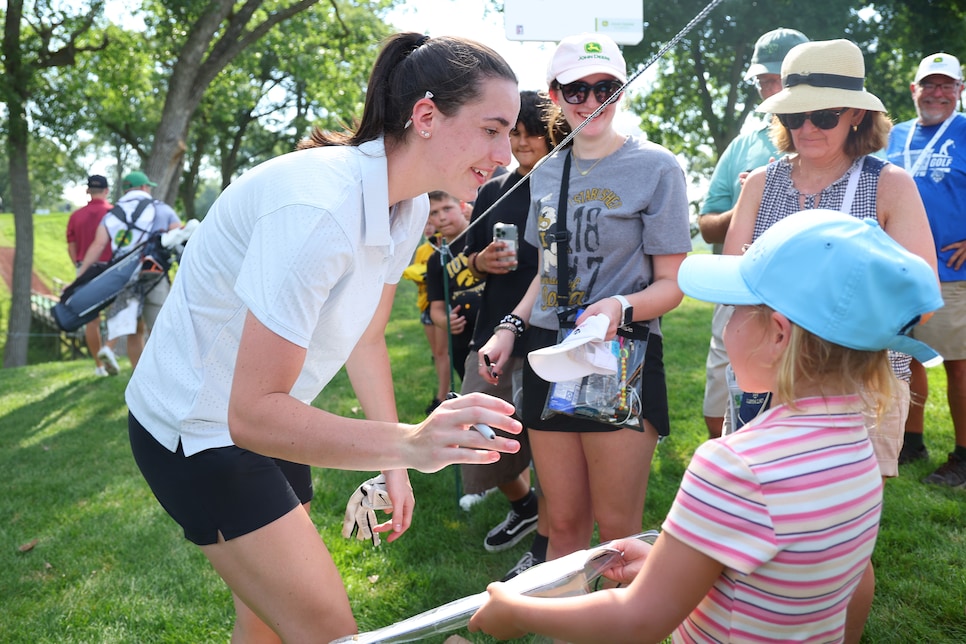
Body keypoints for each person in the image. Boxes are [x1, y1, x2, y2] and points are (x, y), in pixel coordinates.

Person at [124, 33, 524, 643]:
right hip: (196, 431)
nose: (506, 153)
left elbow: (367, 339)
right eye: (493, 129)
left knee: (265, 623)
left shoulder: (408, 205)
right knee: (327, 631)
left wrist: (397, 460)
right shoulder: (318, 210)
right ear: (425, 117)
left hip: (272, 417)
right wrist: (411, 442)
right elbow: (249, 415)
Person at [468, 209, 944, 644]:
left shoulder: (736, 463)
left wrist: (519, 611)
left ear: (778, 335)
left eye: (735, 308)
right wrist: (666, 566)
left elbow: (637, 620)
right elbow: (816, 575)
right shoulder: (854, 443)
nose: (727, 321)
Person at [725, 38, 939, 643]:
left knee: (842, 544)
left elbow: (920, 293)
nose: (807, 127)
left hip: (858, 385)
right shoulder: (761, 182)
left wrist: (837, 326)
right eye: (794, 115)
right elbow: (733, 277)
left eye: (823, 115)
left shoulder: (888, 183)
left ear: (858, 117)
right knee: (755, 523)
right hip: (765, 375)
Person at [479, 33, 692, 562]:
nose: (592, 102)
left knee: (617, 530)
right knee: (565, 522)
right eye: (577, 89)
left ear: (623, 91)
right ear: (554, 93)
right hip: (550, 353)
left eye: (607, 88)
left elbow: (674, 283)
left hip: (621, 352)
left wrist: (620, 306)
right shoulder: (547, 169)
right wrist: (510, 328)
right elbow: (547, 272)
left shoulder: (657, 167)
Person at [698, 28, 808, 438]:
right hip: (740, 290)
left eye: (779, 77)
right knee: (720, 395)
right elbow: (707, 225)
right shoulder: (743, 145)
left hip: (802, 293)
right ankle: (724, 465)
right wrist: (746, 202)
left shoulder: (834, 141)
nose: (770, 87)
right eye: (764, 79)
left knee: (795, 400)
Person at [462, 90, 551, 580]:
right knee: (481, 436)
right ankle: (526, 505)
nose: (521, 142)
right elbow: (469, 259)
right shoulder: (492, 188)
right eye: (512, 131)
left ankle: (546, 541)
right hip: (493, 329)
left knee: (547, 443)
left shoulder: (566, 183)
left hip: (548, 331)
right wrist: (482, 261)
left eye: (531, 130)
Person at [886, 52, 966, 487]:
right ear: (914, 89)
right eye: (929, 85)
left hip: (951, 274)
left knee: (958, 363)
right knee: (906, 356)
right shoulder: (895, 135)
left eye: (946, 85)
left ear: (959, 91)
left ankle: (964, 455)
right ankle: (911, 441)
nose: (937, 93)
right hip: (897, 273)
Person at [76, 170, 182, 370]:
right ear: (144, 187)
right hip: (154, 276)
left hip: (124, 278)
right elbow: (180, 233)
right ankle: (166, 374)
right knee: (160, 327)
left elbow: (98, 246)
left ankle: (139, 377)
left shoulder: (112, 214)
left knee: (135, 331)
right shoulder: (159, 208)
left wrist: (80, 277)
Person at [425, 190, 484, 386]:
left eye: (447, 208)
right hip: (463, 342)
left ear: (461, 206)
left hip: (494, 330)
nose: (441, 217)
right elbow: (436, 308)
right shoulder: (435, 259)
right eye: (434, 213)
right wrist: (444, 321)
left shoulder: (482, 236)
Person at [65, 174, 121, 376]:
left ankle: (99, 366)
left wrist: (79, 267)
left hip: (85, 269)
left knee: (92, 319)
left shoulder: (75, 216)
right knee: (116, 312)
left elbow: (71, 247)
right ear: (106, 191)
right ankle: (109, 350)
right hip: (112, 268)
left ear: (88, 191)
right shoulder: (115, 213)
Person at [402, 221, 449, 413]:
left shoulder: (447, 247)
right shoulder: (422, 250)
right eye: (425, 223)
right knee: (437, 354)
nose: (428, 227)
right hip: (426, 306)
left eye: (432, 223)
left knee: (443, 351)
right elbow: (416, 274)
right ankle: (442, 393)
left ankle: (442, 396)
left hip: (443, 307)